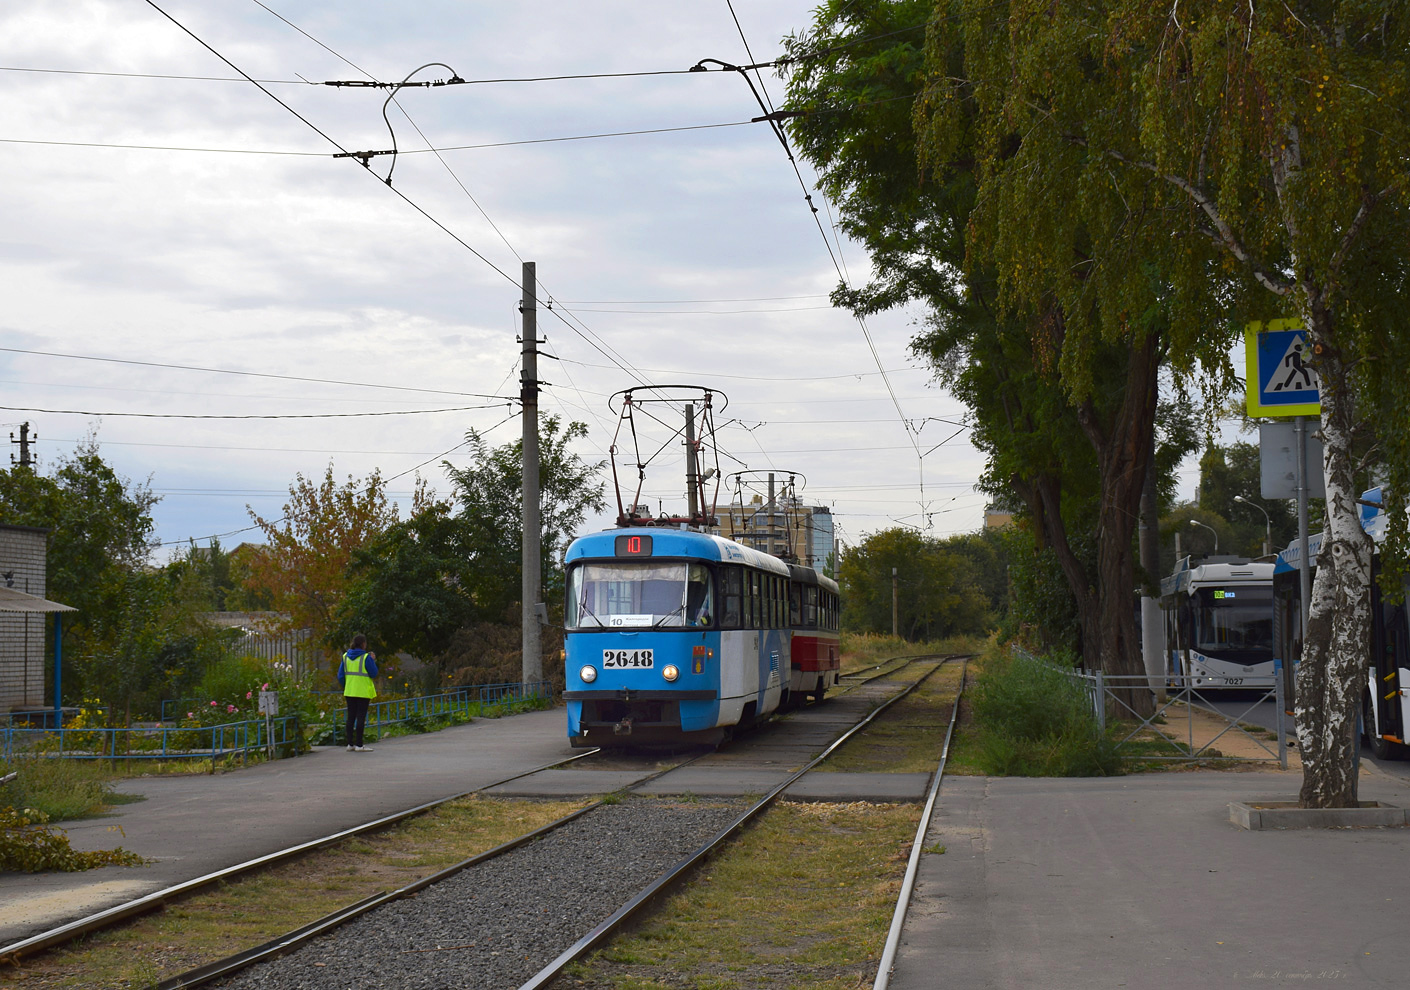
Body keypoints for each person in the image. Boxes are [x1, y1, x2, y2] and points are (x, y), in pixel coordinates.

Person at [337, 634, 378, 752]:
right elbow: (374, 673)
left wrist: (348, 684)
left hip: (350, 691)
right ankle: (359, 745)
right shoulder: (366, 658)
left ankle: (350, 744)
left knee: (350, 717)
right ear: (363, 644)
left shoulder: (345, 657)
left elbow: (340, 675)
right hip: (363, 691)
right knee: (360, 717)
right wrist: (373, 660)